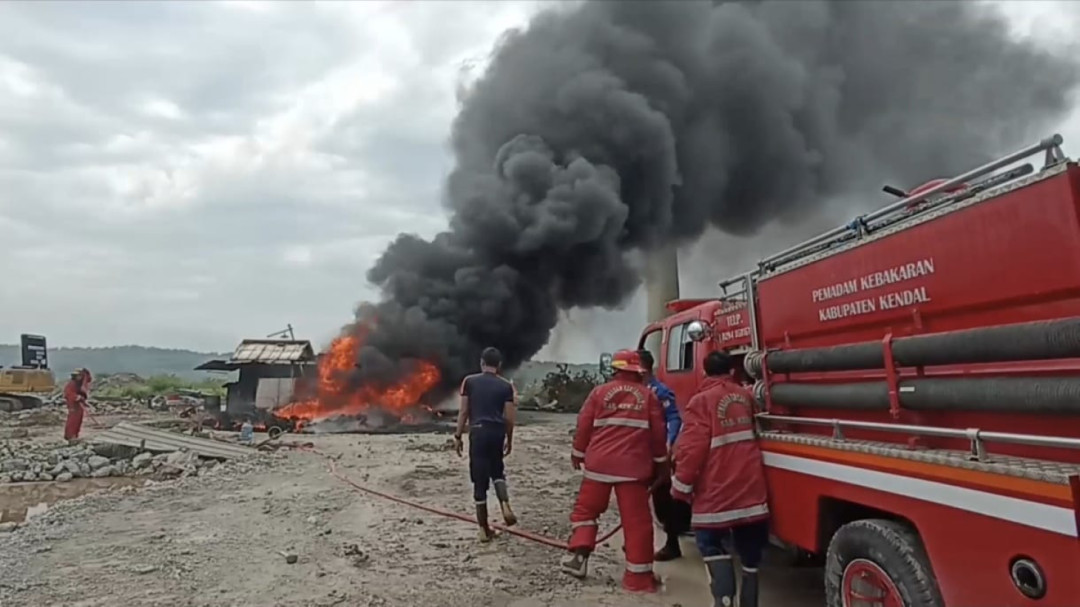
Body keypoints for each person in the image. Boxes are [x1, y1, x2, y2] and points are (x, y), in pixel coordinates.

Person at [560, 349, 668, 594]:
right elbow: (658, 435)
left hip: (599, 465)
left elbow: (584, 424)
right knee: (637, 523)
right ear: (637, 372)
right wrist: (662, 464)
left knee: (586, 512)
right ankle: (638, 579)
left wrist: (578, 452)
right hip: (633, 469)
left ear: (615, 370)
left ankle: (579, 557)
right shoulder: (648, 396)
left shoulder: (599, 392)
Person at [671, 350, 770, 607]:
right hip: (751, 488)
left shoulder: (700, 402)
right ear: (732, 371)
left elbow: (692, 450)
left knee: (710, 544)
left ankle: (723, 601)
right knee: (750, 555)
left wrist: (680, 488)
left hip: (717, 491)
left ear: (704, 372)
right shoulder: (747, 396)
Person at [454, 346, 518, 542]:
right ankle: (505, 504)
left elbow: (464, 412)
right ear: (498, 365)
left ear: (482, 363)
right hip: (497, 432)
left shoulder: (469, 382)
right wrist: (509, 438)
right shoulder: (506, 386)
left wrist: (458, 435)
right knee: (497, 470)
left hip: (478, 432)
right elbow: (509, 418)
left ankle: (483, 530)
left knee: (479, 481)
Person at [637, 349, 689, 562]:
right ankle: (637, 541)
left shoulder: (659, 391)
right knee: (636, 501)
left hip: (656, 457)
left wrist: (668, 443)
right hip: (638, 455)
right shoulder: (635, 390)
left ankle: (672, 544)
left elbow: (674, 417)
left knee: (662, 501)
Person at [63, 369, 89, 442]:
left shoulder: (79, 384)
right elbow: (68, 393)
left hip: (78, 405)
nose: (80, 377)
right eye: (78, 376)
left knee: (78, 421)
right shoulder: (71, 384)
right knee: (73, 421)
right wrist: (77, 397)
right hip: (73, 405)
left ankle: (75, 435)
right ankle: (70, 436)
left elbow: (88, 379)